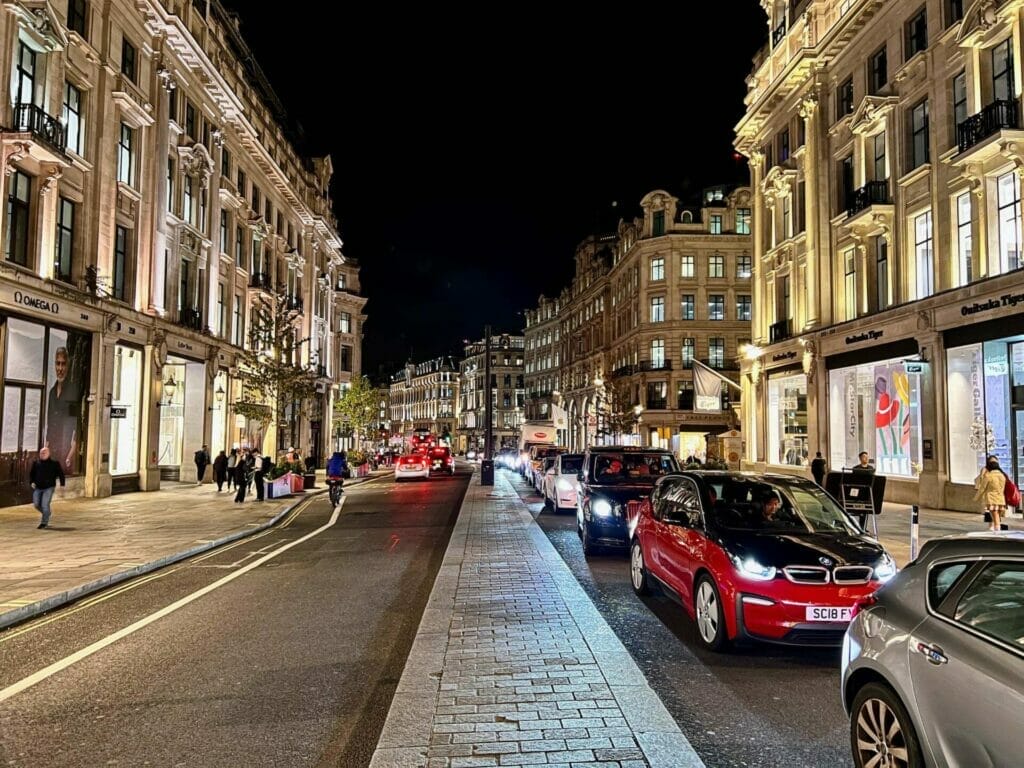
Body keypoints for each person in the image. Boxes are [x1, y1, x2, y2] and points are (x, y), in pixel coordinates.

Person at [45, 346, 80, 472]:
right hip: (52, 452)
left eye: (63, 364)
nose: (60, 368)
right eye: (57, 363)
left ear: (68, 366)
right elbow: (49, 423)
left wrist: (70, 455)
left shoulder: (72, 391)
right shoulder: (51, 393)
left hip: (65, 453)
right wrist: (46, 448)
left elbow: (76, 426)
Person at [30, 446, 65, 529]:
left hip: (49, 487)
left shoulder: (54, 463)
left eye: (44, 453)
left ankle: (44, 522)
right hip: (38, 487)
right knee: (36, 504)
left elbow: (61, 474)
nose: (42, 454)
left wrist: (62, 486)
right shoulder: (36, 463)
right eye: (41, 453)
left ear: (49, 454)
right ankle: (47, 513)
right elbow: (32, 473)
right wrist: (31, 482)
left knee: (45, 504)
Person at [975, 455, 1008, 531]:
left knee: (995, 515)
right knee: (997, 516)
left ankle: (996, 530)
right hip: (1000, 498)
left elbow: (982, 488)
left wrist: (976, 497)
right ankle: (995, 528)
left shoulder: (988, 475)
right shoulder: (1002, 475)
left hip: (991, 499)